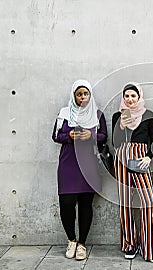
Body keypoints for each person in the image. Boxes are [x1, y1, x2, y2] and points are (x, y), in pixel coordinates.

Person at [52, 80, 107, 260]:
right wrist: (69, 135)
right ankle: (71, 240)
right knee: (66, 203)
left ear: (90, 95)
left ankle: (82, 244)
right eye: (79, 94)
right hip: (68, 164)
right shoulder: (65, 113)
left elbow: (104, 136)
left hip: (89, 164)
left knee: (85, 204)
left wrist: (91, 135)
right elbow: (55, 135)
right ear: (74, 96)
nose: (83, 97)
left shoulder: (97, 114)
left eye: (86, 94)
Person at [112, 82, 153, 263]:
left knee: (148, 203)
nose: (130, 100)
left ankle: (148, 248)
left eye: (133, 96)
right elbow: (115, 143)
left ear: (139, 97)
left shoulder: (148, 115)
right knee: (126, 204)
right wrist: (121, 126)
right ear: (123, 98)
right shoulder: (118, 115)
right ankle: (130, 244)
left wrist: (149, 157)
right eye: (127, 96)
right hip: (122, 159)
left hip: (141, 160)